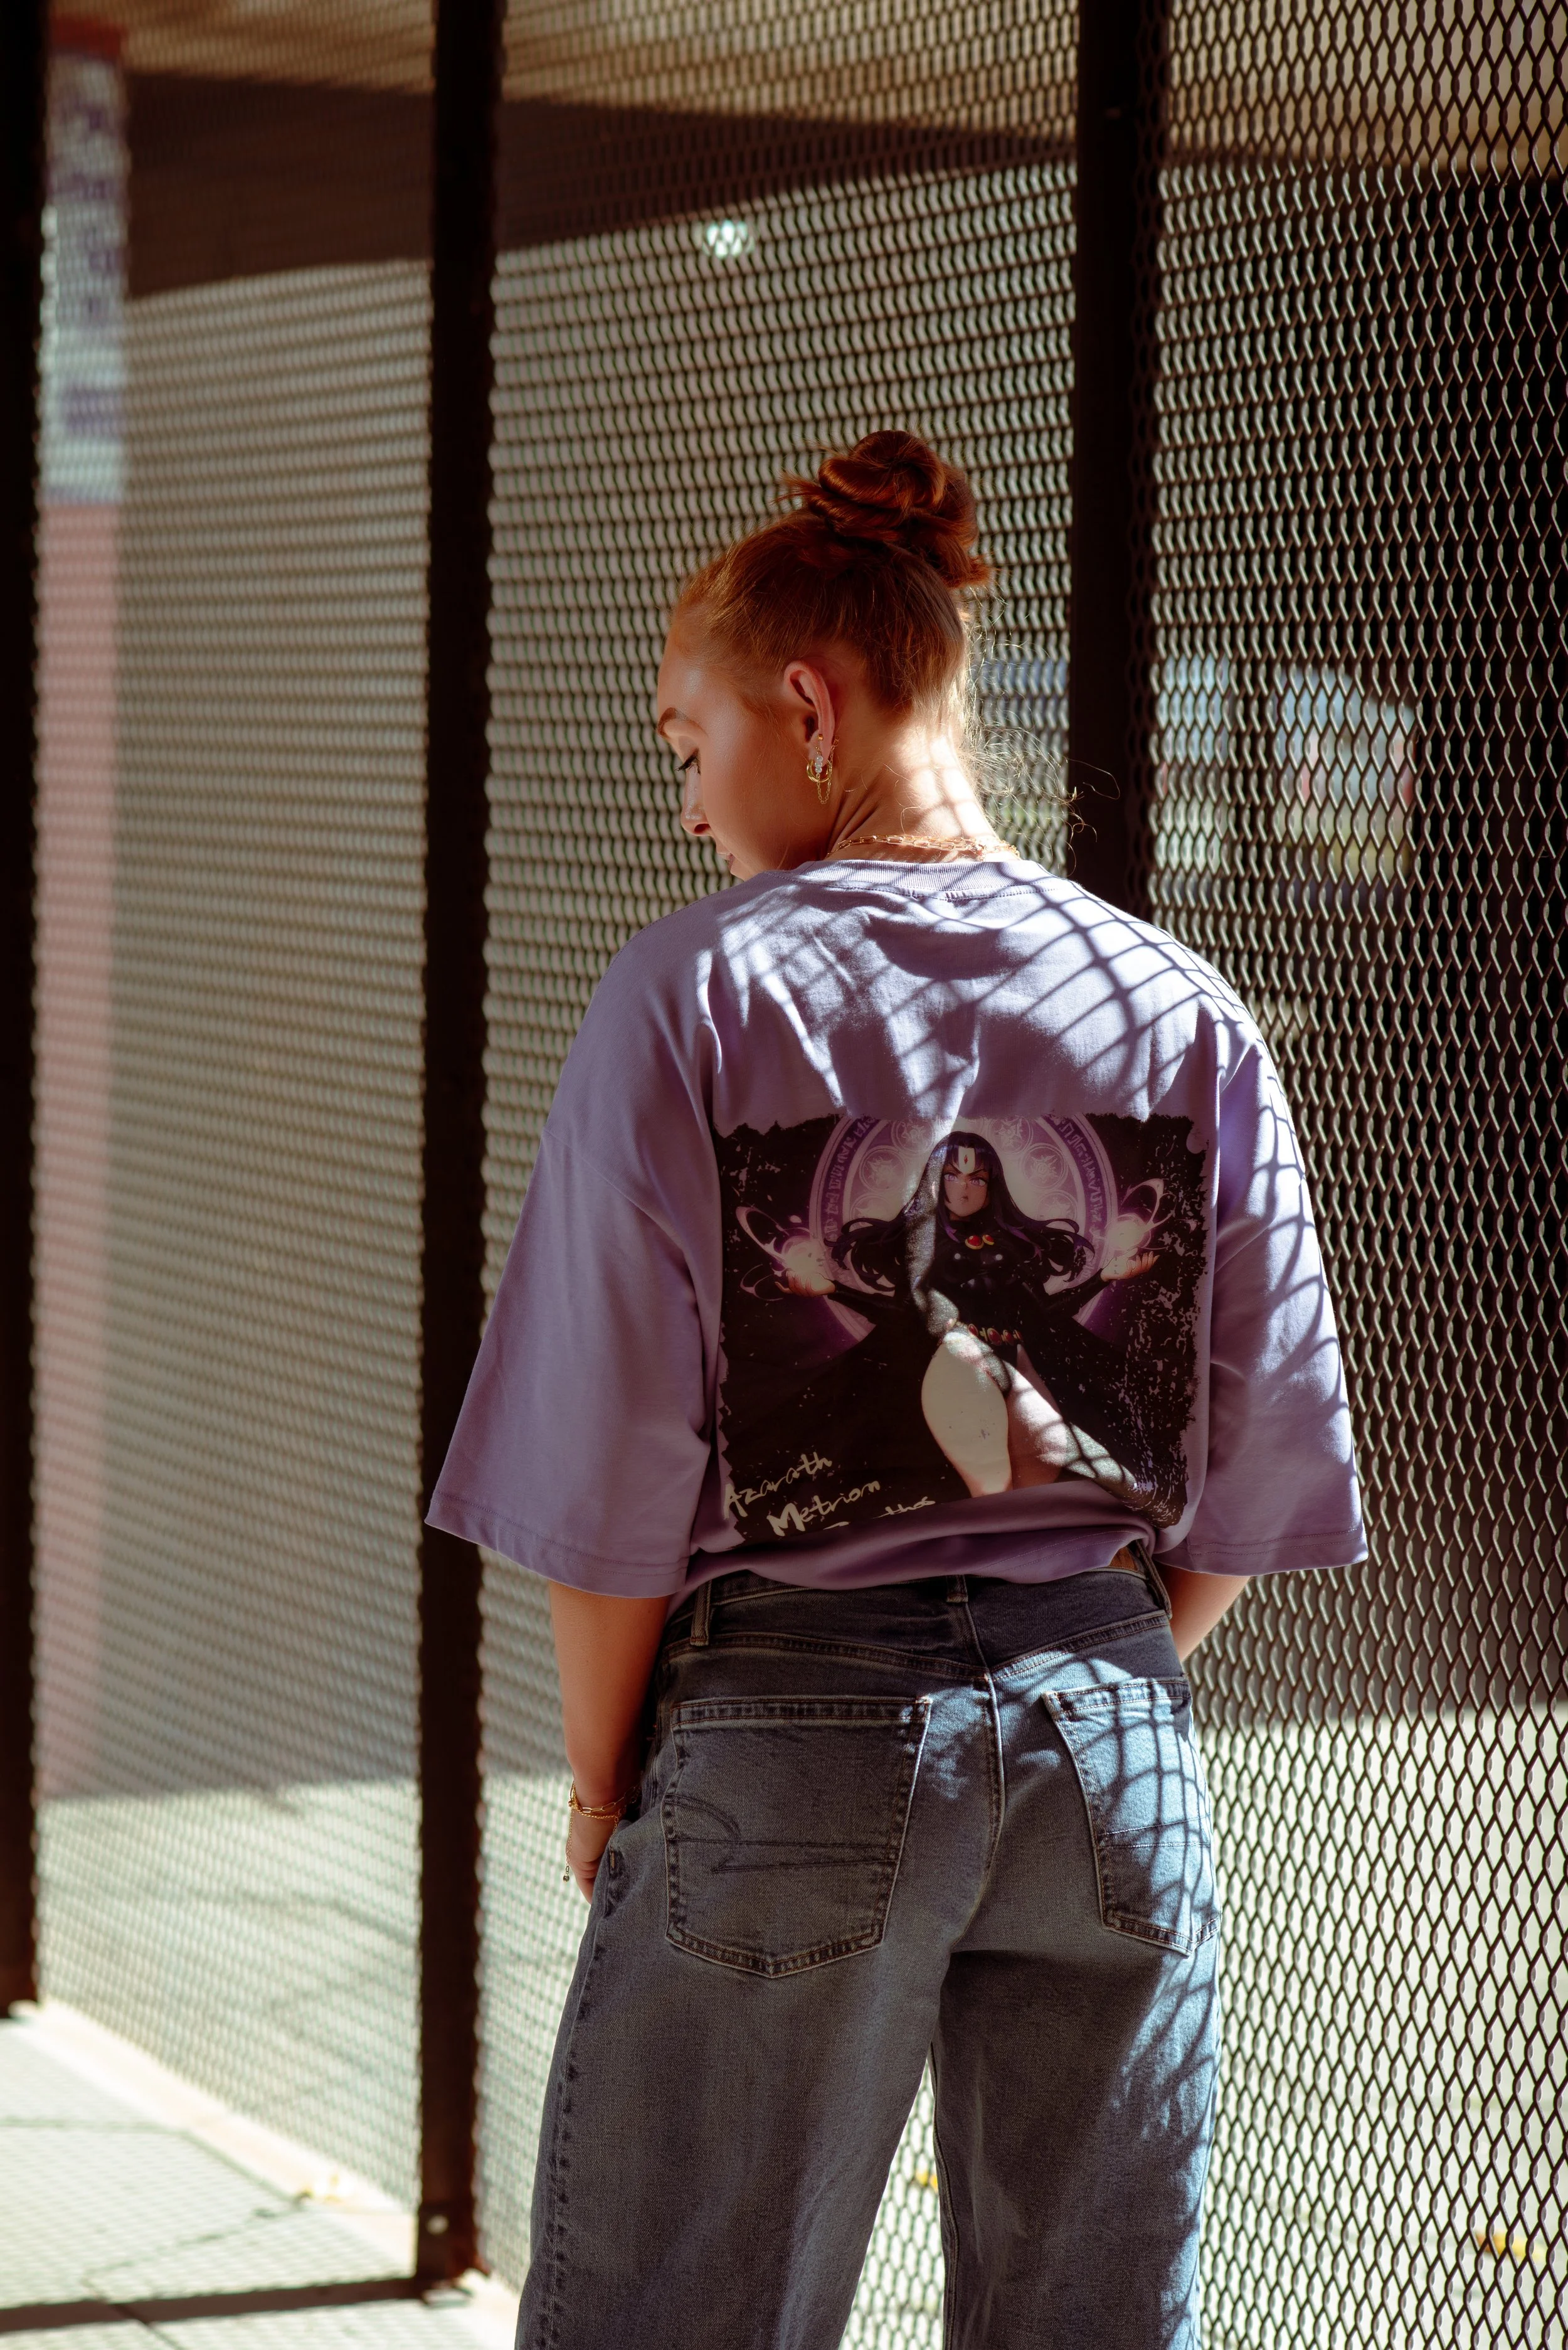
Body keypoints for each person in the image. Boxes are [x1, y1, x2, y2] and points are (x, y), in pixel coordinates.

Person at [430, 432, 1364, 2349]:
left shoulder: (697, 995)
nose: (687, 807)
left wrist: (614, 1773)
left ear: (805, 700)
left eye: (686, 745)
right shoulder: (1176, 1005)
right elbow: (1254, 1470)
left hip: (792, 1729)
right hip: (1114, 1741)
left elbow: (608, 1470)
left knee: (678, 2310)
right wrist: (1084, 1633)